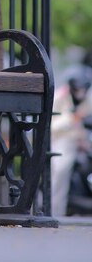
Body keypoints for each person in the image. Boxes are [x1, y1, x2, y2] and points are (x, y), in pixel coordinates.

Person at [50, 65, 92, 216]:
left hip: (79, 142)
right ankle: (54, 212)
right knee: (58, 178)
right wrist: (71, 118)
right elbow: (51, 127)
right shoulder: (60, 97)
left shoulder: (86, 100)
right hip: (59, 142)